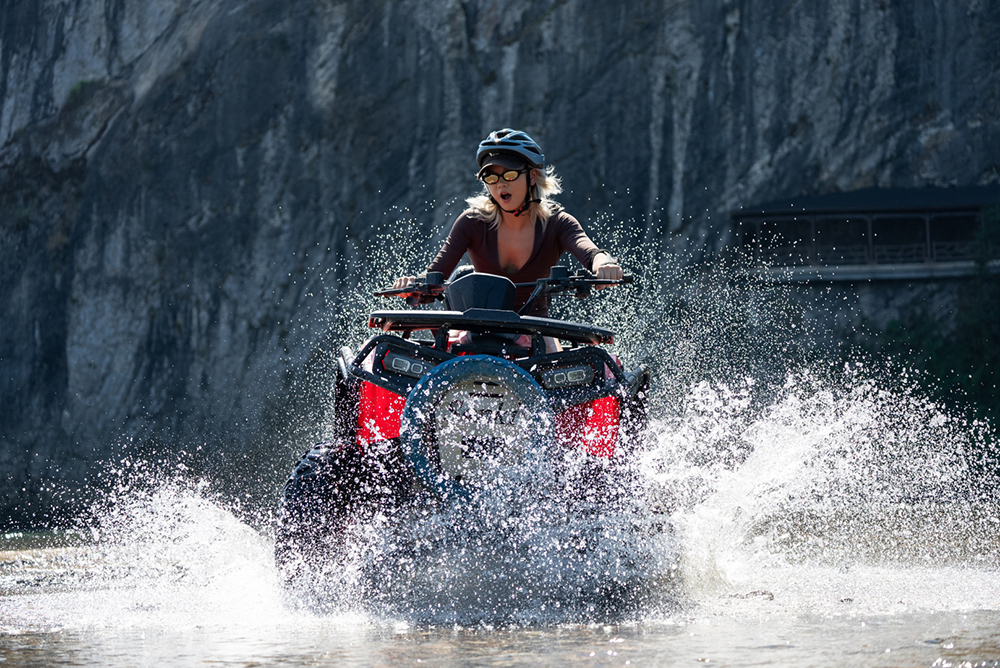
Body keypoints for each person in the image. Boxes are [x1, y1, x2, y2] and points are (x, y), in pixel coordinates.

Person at [394, 128, 623, 320]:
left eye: (509, 175)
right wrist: (413, 284)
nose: (500, 184)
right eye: (491, 177)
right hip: (476, 331)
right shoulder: (471, 222)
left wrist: (605, 264)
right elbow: (434, 275)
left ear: (532, 177)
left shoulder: (558, 223)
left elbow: (592, 253)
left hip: (537, 333)